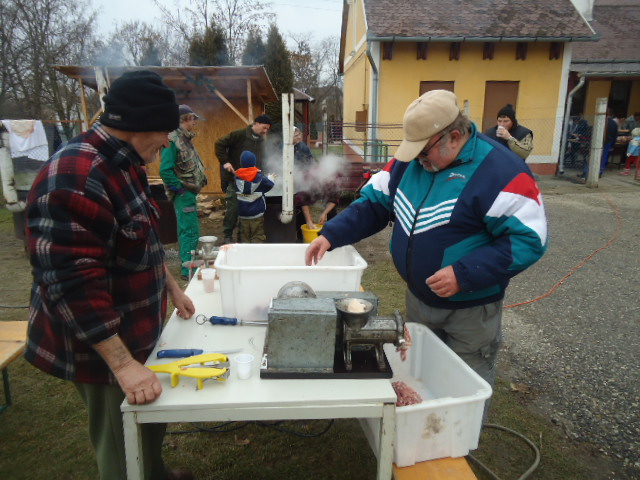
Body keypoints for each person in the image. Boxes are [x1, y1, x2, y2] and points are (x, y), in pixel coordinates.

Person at [305, 90, 548, 415]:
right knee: (422, 377)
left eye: (424, 151)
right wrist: (332, 235)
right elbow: (375, 204)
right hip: (419, 302)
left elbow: (529, 239)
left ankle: (457, 437)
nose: (418, 159)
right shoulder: (408, 163)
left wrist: (464, 274)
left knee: (463, 388)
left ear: (455, 137)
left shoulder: (502, 171)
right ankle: (424, 429)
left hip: (470, 312)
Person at [24, 70, 196, 480]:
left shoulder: (128, 163)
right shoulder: (75, 177)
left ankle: (154, 473)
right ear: (140, 125)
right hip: (98, 347)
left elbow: (141, 236)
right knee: (121, 441)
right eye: (165, 132)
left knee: (148, 417)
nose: (167, 142)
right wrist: (122, 365)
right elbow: (71, 286)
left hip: (135, 330)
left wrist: (172, 287)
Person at [160, 104, 208, 280]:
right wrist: (180, 190)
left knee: (191, 229)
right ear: (185, 119)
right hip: (183, 194)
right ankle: (188, 270)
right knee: (189, 231)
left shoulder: (184, 139)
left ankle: (190, 266)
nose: (195, 122)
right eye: (193, 119)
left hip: (189, 193)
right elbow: (165, 171)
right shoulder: (173, 140)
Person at [215, 114, 272, 244]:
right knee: (233, 209)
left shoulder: (261, 141)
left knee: (248, 211)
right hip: (236, 181)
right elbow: (219, 144)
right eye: (264, 127)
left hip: (253, 183)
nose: (265, 131)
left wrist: (266, 174)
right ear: (257, 123)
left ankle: (243, 237)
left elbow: (262, 160)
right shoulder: (239, 135)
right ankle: (228, 235)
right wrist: (225, 162)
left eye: (267, 129)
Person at [233, 150, 274, 243]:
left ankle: (246, 251)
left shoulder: (237, 177)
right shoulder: (259, 177)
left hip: (243, 214)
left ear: (241, 163)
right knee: (257, 235)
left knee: (244, 235)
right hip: (256, 214)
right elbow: (270, 185)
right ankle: (256, 251)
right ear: (254, 163)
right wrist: (271, 178)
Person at [579, 108, 618, 180]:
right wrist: (612, 145)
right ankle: (600, 172)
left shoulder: (600, 121)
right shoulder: (614, 123)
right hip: (608, 141)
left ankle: (586, 171)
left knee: (592, 156)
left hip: (598, 140)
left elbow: (593, 131)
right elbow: (615, 135)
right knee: (604, 157)